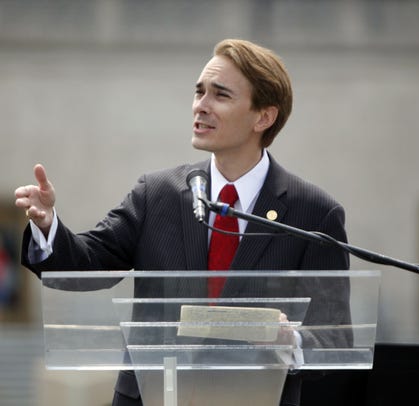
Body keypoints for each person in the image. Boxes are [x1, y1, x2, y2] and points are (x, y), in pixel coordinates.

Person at [15, 39, 350, 406]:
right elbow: (86, 263)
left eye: (220, 95)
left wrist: (290, 340)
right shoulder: (156, 194)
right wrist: (48, 226)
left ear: (263, 117)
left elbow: (336, 341)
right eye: (199, 91)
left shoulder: (314, 214)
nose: (200, 106)